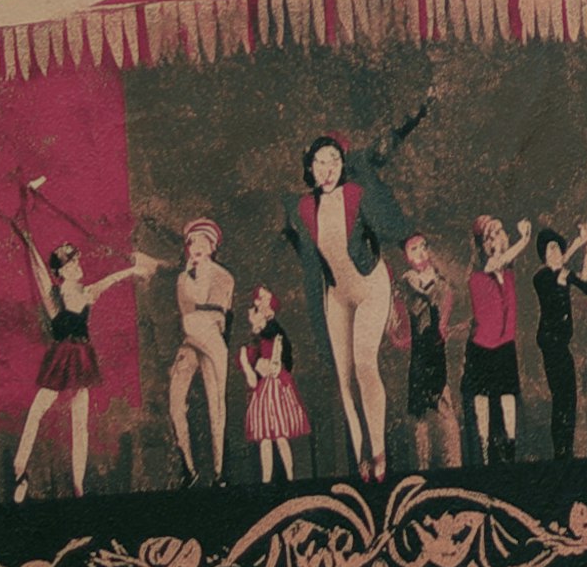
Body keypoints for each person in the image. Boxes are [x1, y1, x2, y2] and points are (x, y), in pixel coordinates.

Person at [0, 183, 169, 501]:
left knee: (80, 423)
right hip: (62, 356)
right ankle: (19, 470)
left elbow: (116, 277)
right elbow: (31, 250)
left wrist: (138, 268)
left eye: (77, 260)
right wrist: (24, 208)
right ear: (61, 271)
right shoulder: (53, 295)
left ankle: (78, 485)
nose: (79, 265)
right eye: (72, 263)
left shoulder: (88, 292)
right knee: (38, 411)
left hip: (82, 357)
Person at [282, 108, 428, 481]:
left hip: (370, 285)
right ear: (310, 169)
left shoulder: (356, 194)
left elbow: (387, 222)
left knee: (365, 365)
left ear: (342, 164)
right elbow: (311, 265)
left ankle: (378, 452)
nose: (328, 168)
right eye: (320, 162)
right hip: (338, 294)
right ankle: (360, 451)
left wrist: (408, 239)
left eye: (334, 160)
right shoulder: (301, 208)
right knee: (343, 376)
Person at [161, 214, 236, 490]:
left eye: (203, 240)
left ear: (213, 245)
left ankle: (219, 473)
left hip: (212, 339)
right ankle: (189, 469)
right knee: (175, 403)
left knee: (217, 404)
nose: (197, 246)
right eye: (192, 241)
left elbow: (214, 309)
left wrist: (194, 282)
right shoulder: (183, 277)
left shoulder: (222, 276)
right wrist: (189, 279)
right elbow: (187, 310)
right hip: (191, 339)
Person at [531, 212, 587, 462]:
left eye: (558, 246)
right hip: (550, 343)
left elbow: (586, 284)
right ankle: (560, 451)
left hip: (562, 345)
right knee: (561, 397)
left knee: (569, 398)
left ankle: (566, 449)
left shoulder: (563, 274)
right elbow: (559, 273)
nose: (556, 252)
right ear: (544, 255)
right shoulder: (542, 277)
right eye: (551, 248)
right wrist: (578, 242)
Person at [461, 214, 523, 460]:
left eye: (500, 232)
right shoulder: (479, 273)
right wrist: (525, 238)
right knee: (483, 398)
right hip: (483, 346)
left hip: (505, 344)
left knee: (508, 394)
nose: (498, 238)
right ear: (483, 244)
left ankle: (511, 445)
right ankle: (484, 448)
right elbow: (498, 260)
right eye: (491, 235)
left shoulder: (508, 273)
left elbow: (507, 260)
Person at [399, 231, 460, 473]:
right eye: (414, 249)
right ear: (406, 256)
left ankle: (455, 465)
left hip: (436, 352)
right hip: (418, 355)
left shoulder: (441, 282)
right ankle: (421, 468)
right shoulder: (405, 283)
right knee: (419, 417)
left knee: (445, 408)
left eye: (424, 246)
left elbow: (444, 310)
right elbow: (406, 316)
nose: (421, 253)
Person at [241, 287, 308, 484]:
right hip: (264, 387)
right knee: (266, 438)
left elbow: (282, 355)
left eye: (267, 298)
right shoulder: (257, 333)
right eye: (261, 299)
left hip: (276, 384)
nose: (263, 302)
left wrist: (274, 367)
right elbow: (252, 357)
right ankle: (267, 479)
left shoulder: (275, 330)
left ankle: (289, 476)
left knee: (280, 435)